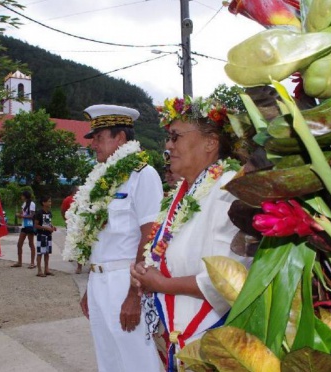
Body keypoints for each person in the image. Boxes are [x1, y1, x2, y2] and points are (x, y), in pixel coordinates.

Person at [130, 96, 252, 370]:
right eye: (168, 138)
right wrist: (146, 271)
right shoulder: (184, 192)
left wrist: (160, 284)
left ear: (211, 142)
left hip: (212, 334)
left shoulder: (229, 189)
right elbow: (167, 252)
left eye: (176, 137)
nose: (168, 145)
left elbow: (226, 280)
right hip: (182, 332)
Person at [62, 104, 163, 372]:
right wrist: (90, 286)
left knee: (137, 360)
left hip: (125, 281)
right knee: (108, 360)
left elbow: (150, 236)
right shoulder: (101, 181)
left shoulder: (143, 175)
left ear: (120, 137)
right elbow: (100, 240)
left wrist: (134, 294)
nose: (93, 144)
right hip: (99, 282)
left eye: (98, 137)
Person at [61, 186, 83, 274]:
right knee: (72, 242)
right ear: (74, 191)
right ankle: (72, 256)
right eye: (78, 191)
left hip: (81, 225)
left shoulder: (82, 199)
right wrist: (66, 220)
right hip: (71, 225)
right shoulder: (68, 199)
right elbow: (63, 210)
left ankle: (79, 265)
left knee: (80, 244)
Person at [13, 190, 36, 268]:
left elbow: (32, 215)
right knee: (19, 244)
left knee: (31, 243)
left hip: (29, 225)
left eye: (22, 195)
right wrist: (19, 215)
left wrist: (22, 216)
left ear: (25, 196)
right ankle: (19, 262)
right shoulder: (24, 204)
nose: (21, 197)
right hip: (24, 225)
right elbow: (23, 213)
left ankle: (32, 262)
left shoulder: (32, 204)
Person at [34, 195, 56, 277]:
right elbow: (36, 225)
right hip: (41, 235)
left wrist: (52, 227)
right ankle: (39, 270)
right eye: (48, 201)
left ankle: (46, 269)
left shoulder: (49, 212)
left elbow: (49, 222)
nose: (50, 203)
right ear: (43, 203)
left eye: (50, 201)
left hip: (48, 235)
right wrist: (45, 228)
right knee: (40, 252)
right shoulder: (39, 213)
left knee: (47, 252)